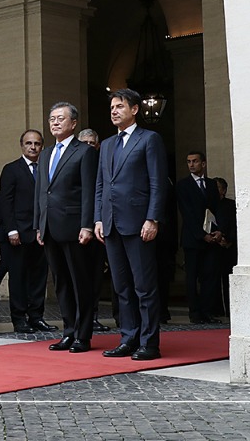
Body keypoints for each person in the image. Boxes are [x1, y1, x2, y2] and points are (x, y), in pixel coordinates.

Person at [94, 88, 167, 361]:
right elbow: (101, 185)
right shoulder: (108, 145)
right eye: (112, 107)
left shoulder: (149, 139)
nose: (114, 111)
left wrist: (153, 218)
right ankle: (128, 337)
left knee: (144, 287)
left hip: (139, 224)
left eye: (120, 106)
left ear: (134, 109)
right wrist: (98, 219)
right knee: (121, 287)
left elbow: (157, 183)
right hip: (111, 224)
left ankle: (149, 343)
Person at [35, 103, 99, 353]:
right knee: (61, 282)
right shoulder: (46, 153)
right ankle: (68, 331)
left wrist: (87, 225)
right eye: (52, 118)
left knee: (79, 282)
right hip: (50, 227)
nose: (55, 123)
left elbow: (89, 192)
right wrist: (38, 224)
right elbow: (41, 192)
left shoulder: (84, 152)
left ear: (73, 123)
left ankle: (83, 335)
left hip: (75, 228)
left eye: (61, 118)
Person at [0, 130, 54, 333]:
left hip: (41, 233)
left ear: (42, 146)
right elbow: (5, 202)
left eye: (37, 143)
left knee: (39, 278)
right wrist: (11, 230)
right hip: (17, 234)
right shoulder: (11, 169)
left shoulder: (47, 170)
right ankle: (19, 320)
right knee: (18, 278)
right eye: (28, 143)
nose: (33, 147)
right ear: (22, 146)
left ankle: (36, 317)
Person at [177, 150, 222, 324]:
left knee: (209, 276)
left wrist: (218, 232)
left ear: (203, 163)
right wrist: (202, 235)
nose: (191, 164)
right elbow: (186, 214)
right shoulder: (183, 185)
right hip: (193, 239)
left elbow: (216, 210)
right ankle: (194, 313)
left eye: (195, 161)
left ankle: (207, 311)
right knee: (192, 277)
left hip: (212, 239)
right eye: (189, 161)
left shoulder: (211, 185)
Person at [78, 128, 112, 332]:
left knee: (96, 276)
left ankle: (94, 315)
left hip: (100, 228)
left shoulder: (104, 164)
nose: (89, 147)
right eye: (85, 144)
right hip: (79, 229)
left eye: (92, 143)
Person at [214, 177, 237, 316]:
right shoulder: (209, 205)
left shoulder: (231, 205)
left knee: (228, 278)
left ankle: (230, 311)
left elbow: (235, 225)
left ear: (224, 190)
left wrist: (228, 239)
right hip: (213, 247)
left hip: (228, 247)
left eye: (218, 188)